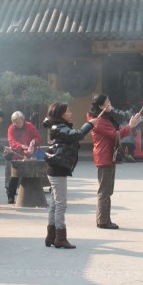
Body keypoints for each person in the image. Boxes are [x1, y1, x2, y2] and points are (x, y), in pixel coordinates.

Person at [42, 101, 98, 249]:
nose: (71, 113)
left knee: (55, 203)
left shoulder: (58, 126)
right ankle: (60, 237)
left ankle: (51, 236)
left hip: (56, 168)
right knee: (61, 204)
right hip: (57, 169)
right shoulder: (59, 127)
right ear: (61, 114)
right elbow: (77, 135)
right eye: (68, 111)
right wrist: (90, 124)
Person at [89, 94, 141, 230]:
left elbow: (115, 132)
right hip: (104, 156)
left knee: (106, 189)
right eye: (107, 102)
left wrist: (130, 126)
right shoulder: (98, 120)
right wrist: (130, 126)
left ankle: (103, 219)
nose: (110, 104)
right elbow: (115, 134)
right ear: (101, 106)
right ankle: (103, 220)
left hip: (107, 156)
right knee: (105, 190)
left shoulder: (102, 118)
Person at [6, 110, 42, 204]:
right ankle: (11, 196)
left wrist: (34, 141)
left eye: (19, 122)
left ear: (23, 120)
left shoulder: (30, 126)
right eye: (15, 123)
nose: (17, 124)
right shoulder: (11, 128)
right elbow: (11, 142)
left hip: (29, 154)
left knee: (30, 174)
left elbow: (37, 137)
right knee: (14, 177)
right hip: (16, 155)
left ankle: (32, 195)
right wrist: (21, 146)